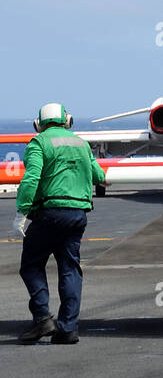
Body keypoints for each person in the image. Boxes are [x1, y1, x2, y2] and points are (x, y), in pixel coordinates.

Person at [15, 103, 106, 345]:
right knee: (70, 269)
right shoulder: (81, 143)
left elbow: (32, 177)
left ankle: (43, 318)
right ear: (68, 121)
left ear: (39, 123)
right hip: (78, 215)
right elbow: (100, 177)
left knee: (32, 265)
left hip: (50, 213)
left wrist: (23, 210)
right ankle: (67, 329)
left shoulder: (39, 143)